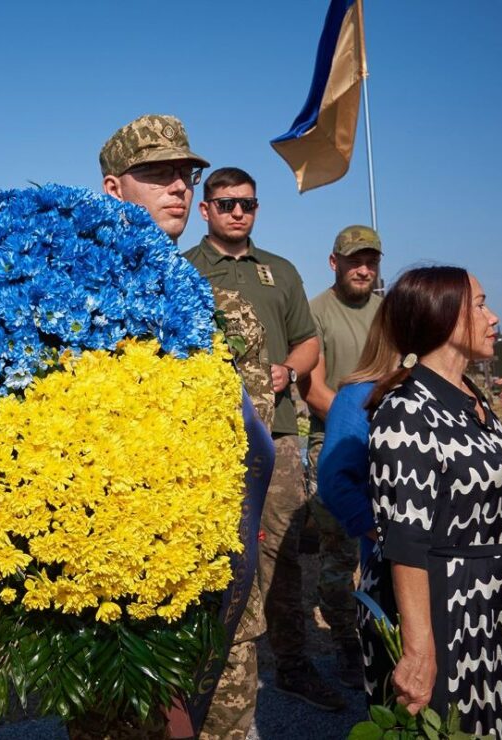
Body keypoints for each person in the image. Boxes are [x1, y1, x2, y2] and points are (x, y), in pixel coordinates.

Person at [98, 115, 273, 740]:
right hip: (107, 601)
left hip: (215, 593)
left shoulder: (226, 313)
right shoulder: (71, 308)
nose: (178, 186)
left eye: (185, 174)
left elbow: (248, 460)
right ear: (115, 189)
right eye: (157, 174)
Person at [359, 266, 502, 739]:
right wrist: (419, 648)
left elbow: (501, 481)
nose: (494, 316)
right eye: (481, 304)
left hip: (492, 604)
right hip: (444, 606)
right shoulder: (405, 409)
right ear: (442, 316)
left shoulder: (470, 396)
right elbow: (404, 539)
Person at [183, 169, 338, 711]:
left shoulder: (281, 271)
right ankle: (209, 674)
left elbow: (308, 343)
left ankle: (293, 665)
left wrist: (290, 373)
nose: (237, 213)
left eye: (247, 204)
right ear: (205, 210)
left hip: (277, 439)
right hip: (209, 443)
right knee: (211, 558)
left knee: (284, 558)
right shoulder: (183, 271)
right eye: (226, 203)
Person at [297, 225, 383, 688]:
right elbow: (313, 389)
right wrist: (361, 422)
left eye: (371, 261)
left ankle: (385, 638)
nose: (364, 269)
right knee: (338, 556)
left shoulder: (389, 313)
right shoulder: (316, 314)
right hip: (334, 446)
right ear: (335, 263)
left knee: (390, 548)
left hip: (390, 447)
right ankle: (347, 646)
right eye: (355, 261)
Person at [316, 306, 397, 572]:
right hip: (395, 570)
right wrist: (387, 538)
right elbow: (334, 482)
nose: (492, 318)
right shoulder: (359, 397)